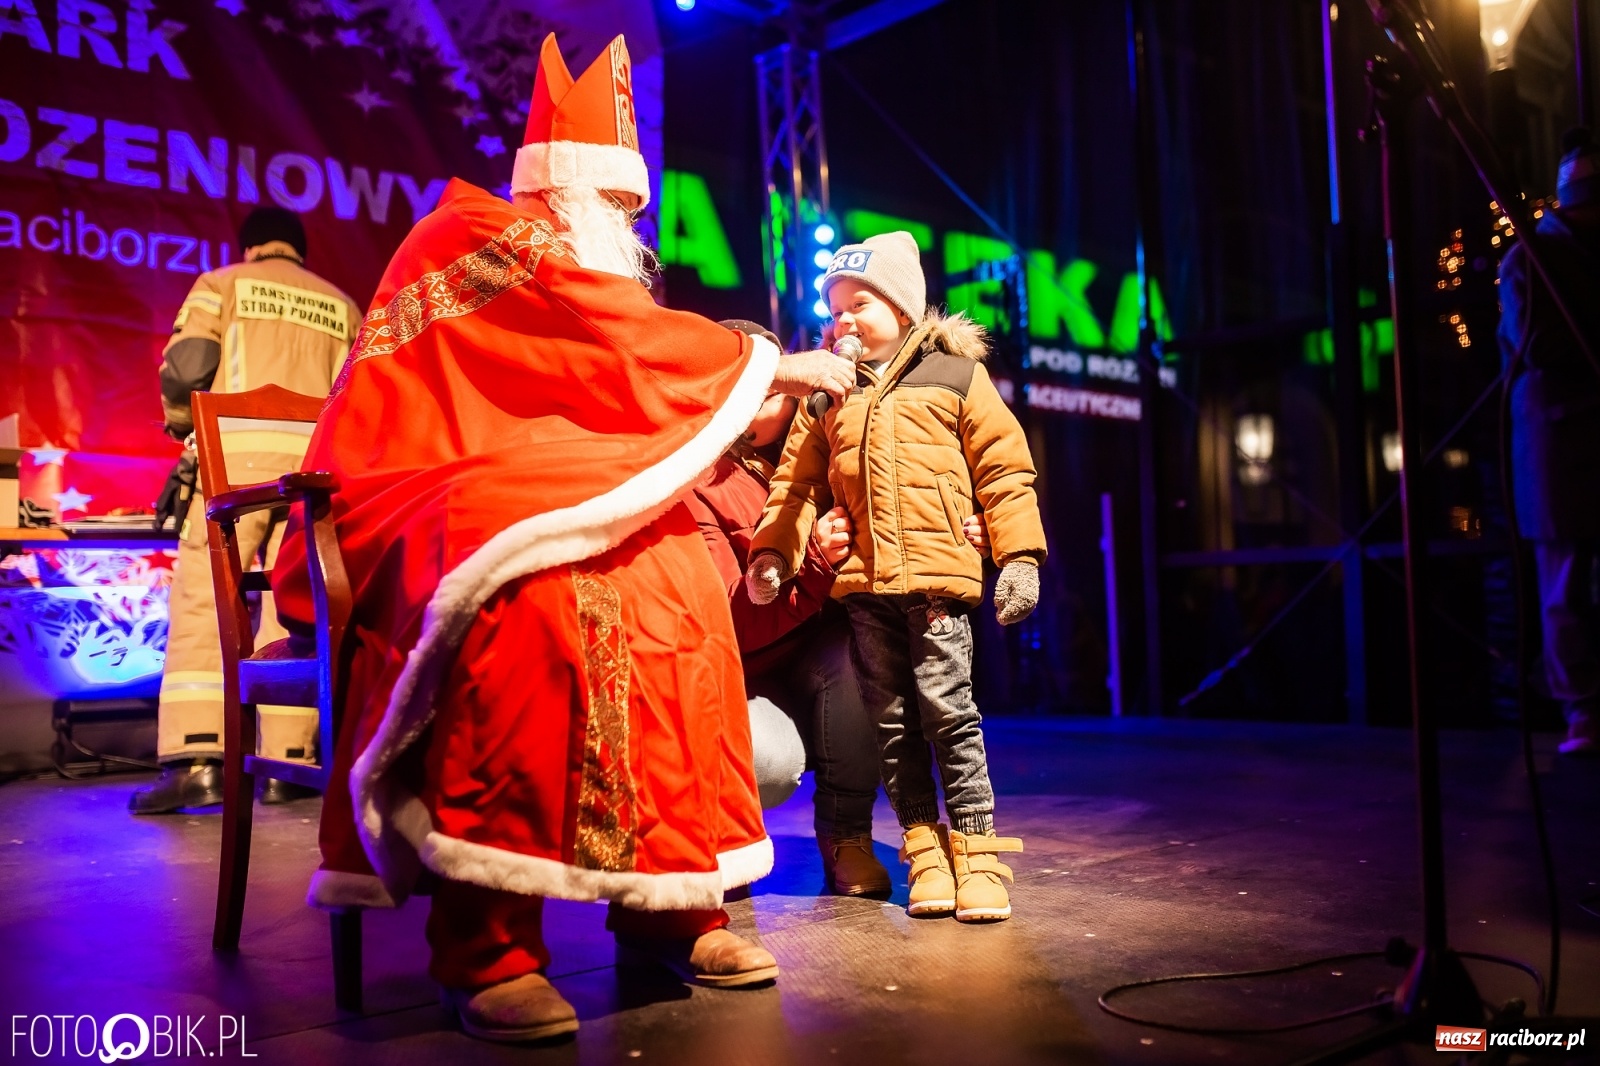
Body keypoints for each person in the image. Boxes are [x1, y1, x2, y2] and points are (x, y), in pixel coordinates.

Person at [269, 35, 856, 1044]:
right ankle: (486, 937)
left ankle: (671, 900)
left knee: (669, 567)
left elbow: (604, 374)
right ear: (576, 192)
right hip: (416, 483)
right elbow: (606, 338)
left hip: (542, 478)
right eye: (618, 209)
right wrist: (767, 362)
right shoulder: (471, 231)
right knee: (524, 588)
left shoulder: (578, 271)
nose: (630, 232)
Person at [747, 232, 1048, 923]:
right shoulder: (828, 397)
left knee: (951, 712)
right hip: (866, 594)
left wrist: (1019, 556)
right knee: (893, 723)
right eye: (833, 310)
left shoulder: (955, 377)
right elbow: (795, 486)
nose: (843, 319)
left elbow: (1005, 470)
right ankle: (923, 847)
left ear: (906, 308)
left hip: (938, 586)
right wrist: (775, 554)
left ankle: (976, 849)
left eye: (861, 303)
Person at [689, 320, 995, 897]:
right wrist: (814, 565)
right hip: (748, 672)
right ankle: (725, 841)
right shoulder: (701, 478)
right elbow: (732, 625)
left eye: (773, 389)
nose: (758, 403)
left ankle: (847, 834)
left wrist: (966, 525)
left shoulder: (837, 435)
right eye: (744, 387)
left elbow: (933, 483)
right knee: (768, 761)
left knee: (864, 664)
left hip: (828, 657)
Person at [130, 207, 359, 815]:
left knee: (209, 599)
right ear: (300, 251)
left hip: (232, 469)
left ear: (251, 246)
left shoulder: (220, 284)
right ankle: (289, 764)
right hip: (313, 479)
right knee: (294, 606)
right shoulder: (343, 305)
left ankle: (199, 758)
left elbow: (187, 370)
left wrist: (183, 431)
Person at [1499, 127, 1600, 758]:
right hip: (1560, 440)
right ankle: (1582, 709)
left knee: (1571, 581)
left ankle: (1585, 707)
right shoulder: (1530, 259)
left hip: (1566, 435)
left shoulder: (1545, 253)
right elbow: (1537, 348)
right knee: (1566, 582)